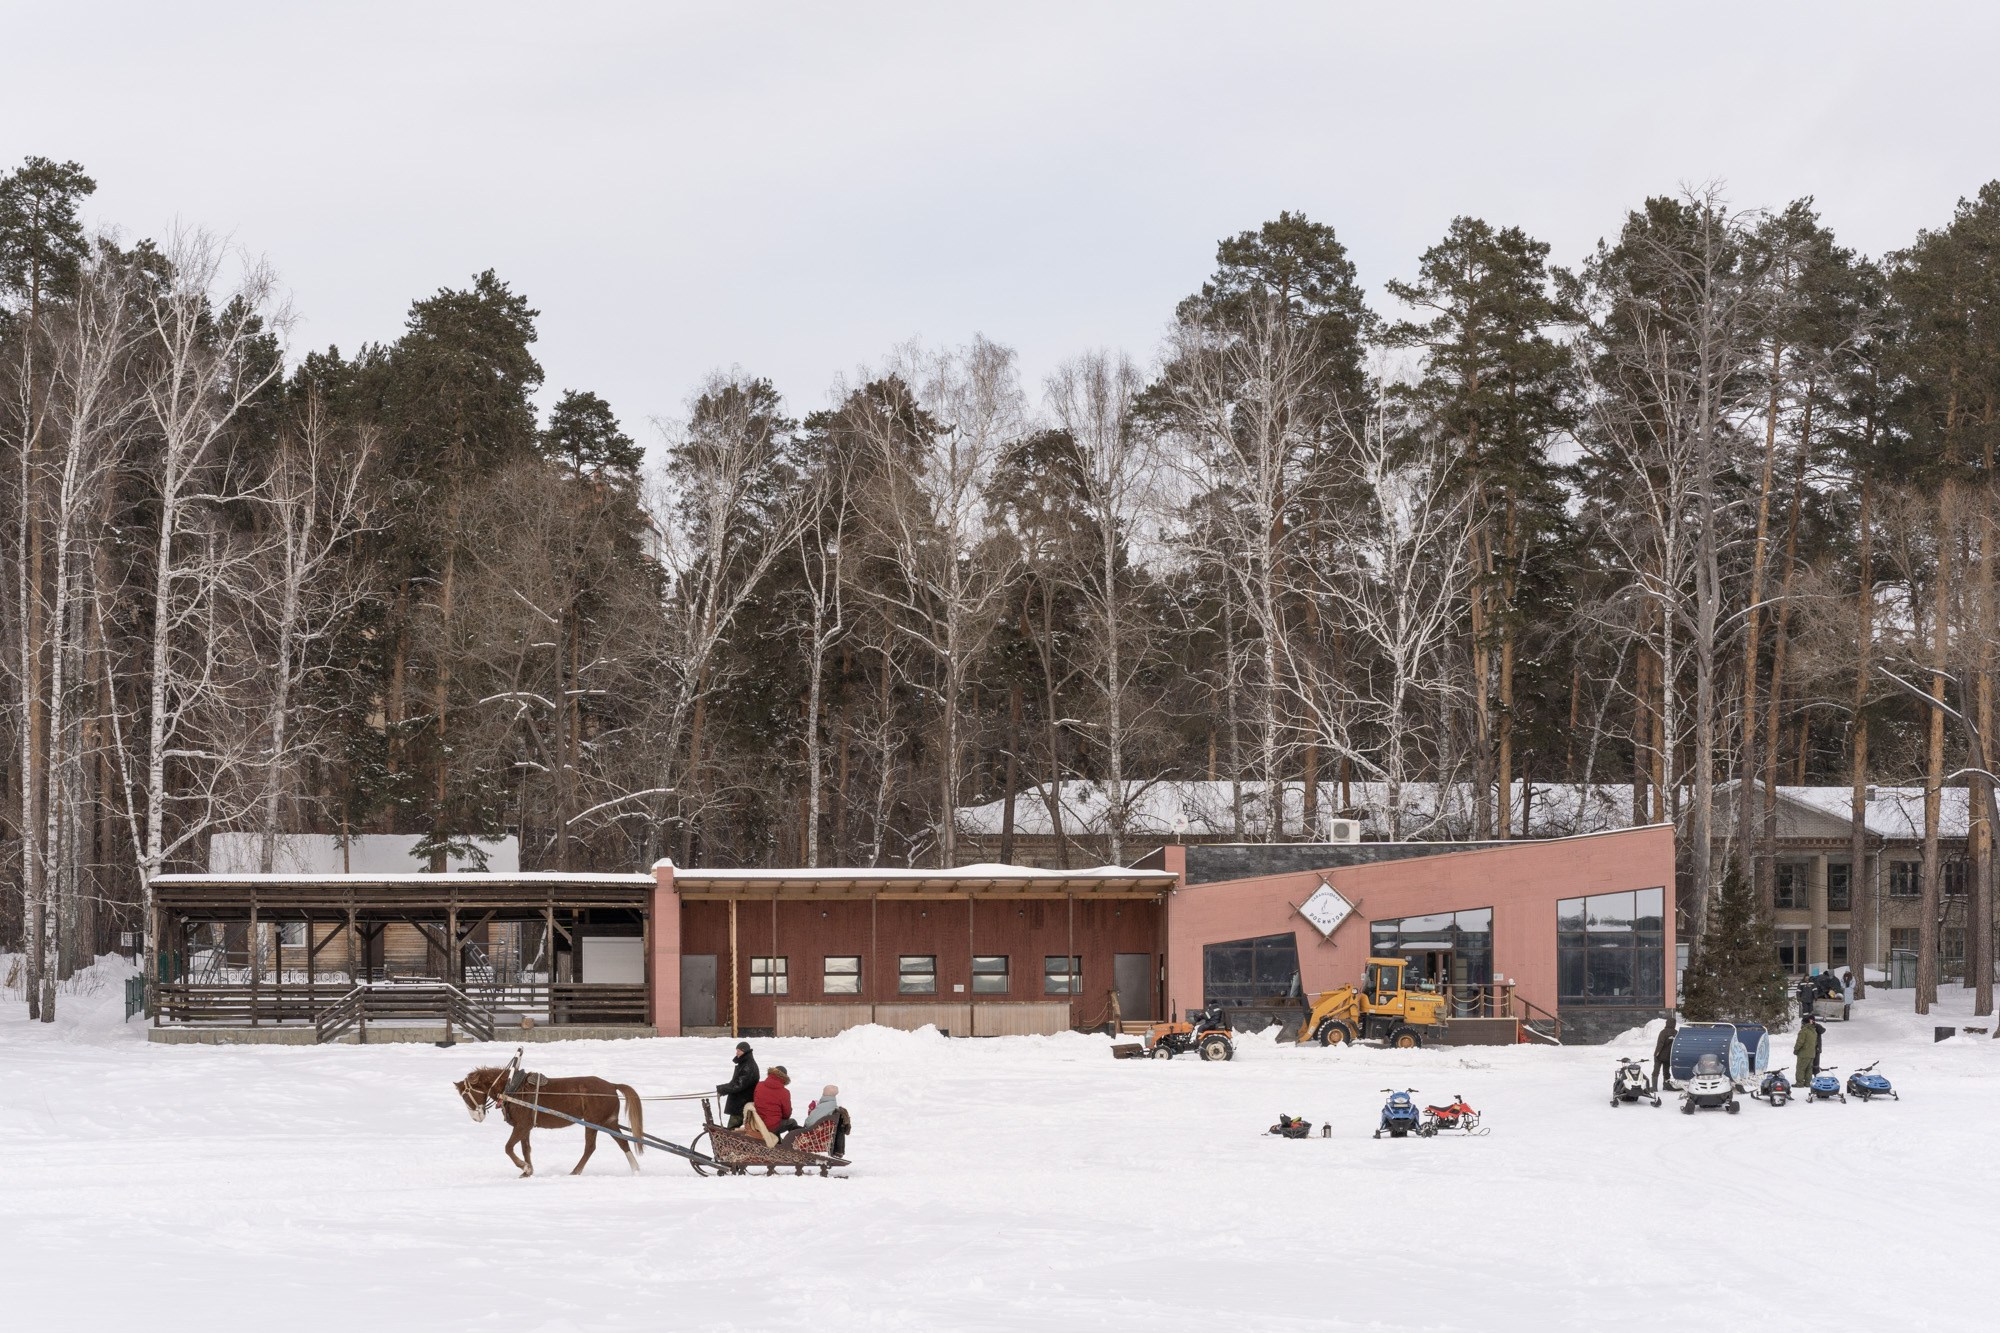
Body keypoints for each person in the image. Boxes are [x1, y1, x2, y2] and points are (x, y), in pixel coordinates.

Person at [716, 1041, 758, 1129]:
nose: (737, 1053)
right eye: (737, 1050)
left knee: (732, 1128)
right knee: (735, 1128)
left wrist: (722, 1089)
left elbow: (738, 1085)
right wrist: (723, 1090)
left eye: (739, 1051)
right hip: (740, 1102)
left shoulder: (748, 1066)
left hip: (741, 1103)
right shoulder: (745, 1064)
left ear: (745, 1051)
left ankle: (728, 1142)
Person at [753, 1064, 797, 1137]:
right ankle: (794, 1145)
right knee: (792, 1123)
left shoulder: (759, 1085)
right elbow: (787, 1114)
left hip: (757, 1123)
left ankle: (777, 1141)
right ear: (785, 1078)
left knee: (775, 1121)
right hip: (771, 1126)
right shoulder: (784, 1092)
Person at [1651, 1013, 1677, 1091]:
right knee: (1666, 1071)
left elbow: (1660, 1044)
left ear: (1667, 1023)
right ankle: (1665, 1085)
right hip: (1669, 1056)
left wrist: (1656, 1054)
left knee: (1656, 1071)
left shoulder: (1663, 1032)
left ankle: (1654, 1087)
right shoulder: (1676, 1033)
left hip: (1660, 1056)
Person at [1793, 1016, 1819, 1086]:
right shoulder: (1814, 1031)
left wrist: (1796, 1049)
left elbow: (1800, 1042)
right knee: (1809, 1069)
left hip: (1803, 1053)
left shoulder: (1804, 1031)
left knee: (1800, 1068)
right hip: (1812, 1054)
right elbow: (1816, 1042)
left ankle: (1799, 1083)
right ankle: (1808, 1083)